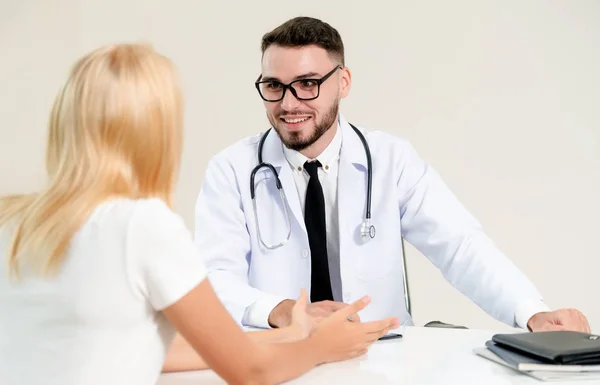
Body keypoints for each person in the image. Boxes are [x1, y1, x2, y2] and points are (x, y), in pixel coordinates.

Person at [0, 43, 399, 385]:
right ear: (156, 132)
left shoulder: (12, 218)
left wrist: (290, 334)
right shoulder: (141, 225)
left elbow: (164, 349)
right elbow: (249, 373)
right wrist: (321, 347)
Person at [194, 16, 591, 333]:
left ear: (343, 82)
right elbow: (214, 278)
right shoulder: (231, 170)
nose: (289, 103)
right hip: (275, 358)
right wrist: (280, 310)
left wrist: (531, 312)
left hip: (381, 359)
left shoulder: (391, 159)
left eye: (308, 84)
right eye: (274, 86)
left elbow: (459, 246)